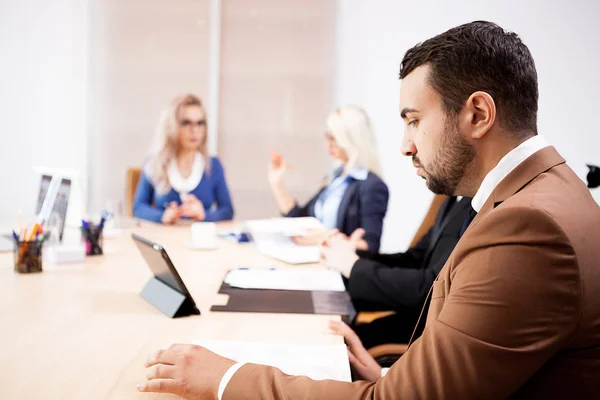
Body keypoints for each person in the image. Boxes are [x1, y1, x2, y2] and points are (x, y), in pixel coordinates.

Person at [137, 21, 600, 399]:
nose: (405, 146)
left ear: (478, 114)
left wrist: (224, 378)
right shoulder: (538, 196)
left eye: (414, 121)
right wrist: (390, 376)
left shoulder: (529, 227)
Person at [321, 196, 472, 349]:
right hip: (413, 319)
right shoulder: (454, 200)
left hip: (427, 338)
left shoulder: (477, 208)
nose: (416, 170)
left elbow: (431, 288)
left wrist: (352, 265)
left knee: (329, 341)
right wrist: (352, 254)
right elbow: (413, 259)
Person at [268, 105, 388, 252]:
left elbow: (370, 246)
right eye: (327, 137)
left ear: (350, 138)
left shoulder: (372, 186)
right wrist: (277, 183)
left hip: (340, 270)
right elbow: (301, 220)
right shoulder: (335, 178)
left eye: (333, 139)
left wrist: (325, 238)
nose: (327, 145)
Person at [133, 94, 234, 224]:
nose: (194, 130)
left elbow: (227, 211)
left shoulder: (214, 165)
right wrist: (162, 216)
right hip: (164, 238)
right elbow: (138, 208)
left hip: (201, 241)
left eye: (200, 123)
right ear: (172, 126)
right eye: (186, 123)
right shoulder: (154, 164)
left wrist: (204, 215)